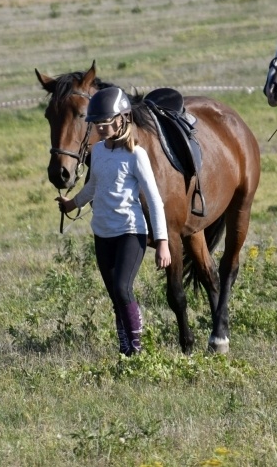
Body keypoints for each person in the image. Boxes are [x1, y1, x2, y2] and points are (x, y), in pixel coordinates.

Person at [56, 87, 171, 356]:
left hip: (130, 232)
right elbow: (93, 185)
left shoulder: (136, 155)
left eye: (104, 122)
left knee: (122, 288)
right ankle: (124, 350)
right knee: (115, 297)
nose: (100, 127)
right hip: (103, 233)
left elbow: (154, 200)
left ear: (122, 119)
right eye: (96, 123)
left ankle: (137, 352)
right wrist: (72, 204)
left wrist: (163, 243)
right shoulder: (97, 151)